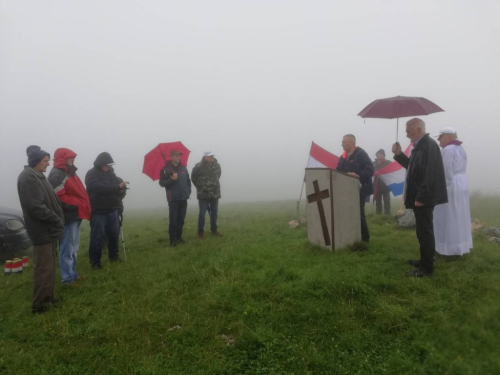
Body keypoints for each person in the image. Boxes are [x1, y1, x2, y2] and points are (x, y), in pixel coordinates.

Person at [392, 118, 448, 277]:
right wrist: (398, 154)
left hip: (424, 197)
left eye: (408, 130)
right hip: (421, 195)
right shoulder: (420, 145)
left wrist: (421, 197)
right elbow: (413, 167)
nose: (406, 133)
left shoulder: (428, 145)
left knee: (425, 231)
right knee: (423, 230)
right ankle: (425, 260)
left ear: (418, 129)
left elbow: (428, 174)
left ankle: (426, 269)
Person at [17, 146, 64, 314]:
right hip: (42, 230)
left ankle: (48, 298)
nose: (48, 164)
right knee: (43, 267)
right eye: (45, 161)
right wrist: (55, 218)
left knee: (49, 266)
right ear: (36, 161)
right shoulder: (29, 177)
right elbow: (35, 207)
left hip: (48, 229)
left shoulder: (38, 176)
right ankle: (40, 305)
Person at [48, 148, 91, 285]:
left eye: (73, 157)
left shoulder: (69, 172)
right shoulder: (57, 174)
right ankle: (67, 278)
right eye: (70, 157)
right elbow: (57, 198)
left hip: (76, 214)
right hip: (68, 216)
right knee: (67, 247)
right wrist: (77, 205)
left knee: (74, 246)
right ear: (62, 158)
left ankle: (72, 273)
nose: (73, 159)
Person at [433, 127, 473, 256]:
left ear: (448, 137)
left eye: (441, 137)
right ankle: (460, 245)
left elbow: (446, 171)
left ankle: (447, 247)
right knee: (459, 214)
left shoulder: (448, 150)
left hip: (452, 185)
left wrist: (442, 188)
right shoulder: (460, 148)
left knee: (447, 215)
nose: (439, 141)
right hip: (461, 182)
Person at [85, 152, 128, 269]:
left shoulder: (111, 174)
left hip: (112, 209)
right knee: (97, 237)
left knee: (114, 235)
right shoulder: (91, 174)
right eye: (106, 165)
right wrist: (117, 187)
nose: (108, 167)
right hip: (98, 211)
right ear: (100, 164)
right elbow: (97, 188)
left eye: (109, 165)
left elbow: (116, 187)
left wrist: (120, 190)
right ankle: (95, 262)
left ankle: (113, 256)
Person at [336, 134, 374, 243]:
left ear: (351, 143)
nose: (341, 144)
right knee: (347, 213)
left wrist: (358, 175)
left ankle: (364, 238)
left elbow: (370, 169)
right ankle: (350, 236)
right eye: (342, 142)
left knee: (359, 214)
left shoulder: (361, 154)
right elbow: (338, 170)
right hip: (345, 190)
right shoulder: (343, 157)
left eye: (344, 142)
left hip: (359, 190)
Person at [159, 150, 192, 246]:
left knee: (181, 219)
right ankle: (172, 240)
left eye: (179, 155)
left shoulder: (183, 168)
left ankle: (179, 237)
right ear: (171, 157)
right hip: (173, 198)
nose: (178, 157)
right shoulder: (165, 170)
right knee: (173, 220)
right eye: (176, 155)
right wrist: (171, 179)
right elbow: (162, 183)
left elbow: (188, 181)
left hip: (183, 198)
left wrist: (188, 191)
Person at [191, 150, 222, 239]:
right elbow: (194, 179)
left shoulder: (217, 165)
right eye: (209, 156)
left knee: (214, 212)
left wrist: (213, 186)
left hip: (215, 193)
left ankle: (214, 229)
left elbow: (218, 176)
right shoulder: (198, 167)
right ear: (205, 157)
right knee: (202, 213)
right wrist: (202, 187)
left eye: (212, 156)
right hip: (203, 194)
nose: (212, 157)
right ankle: (200, 232)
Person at [373, 149, 392, 215]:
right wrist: (373, 172)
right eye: (377, 154)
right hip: (377, 185)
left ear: (384, 155)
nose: (379, 155)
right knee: (378, 201)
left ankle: (387, 214)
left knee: (387, 200)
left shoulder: (388, 163)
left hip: (386, 185)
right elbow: (370, 170)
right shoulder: (373, 163)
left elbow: (392, 170)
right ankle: (378, 214)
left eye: (380, 154)